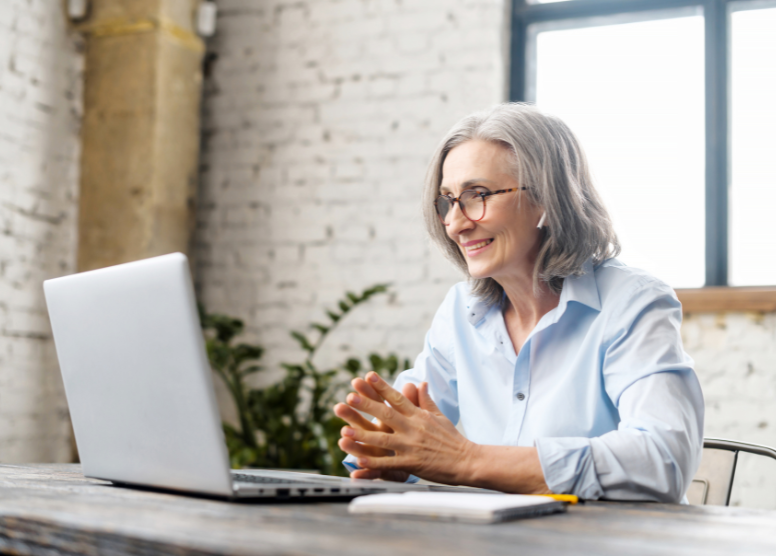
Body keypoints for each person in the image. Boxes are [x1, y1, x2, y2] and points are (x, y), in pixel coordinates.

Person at [333, 103, 704, 502]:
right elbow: (398, 447)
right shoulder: (460, 311)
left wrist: (467, 460)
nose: (456, 223)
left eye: (478, 195)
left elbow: (662, 462)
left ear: (546, 197)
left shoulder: (631, 302)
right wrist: (384, 453)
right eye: (447, 201)